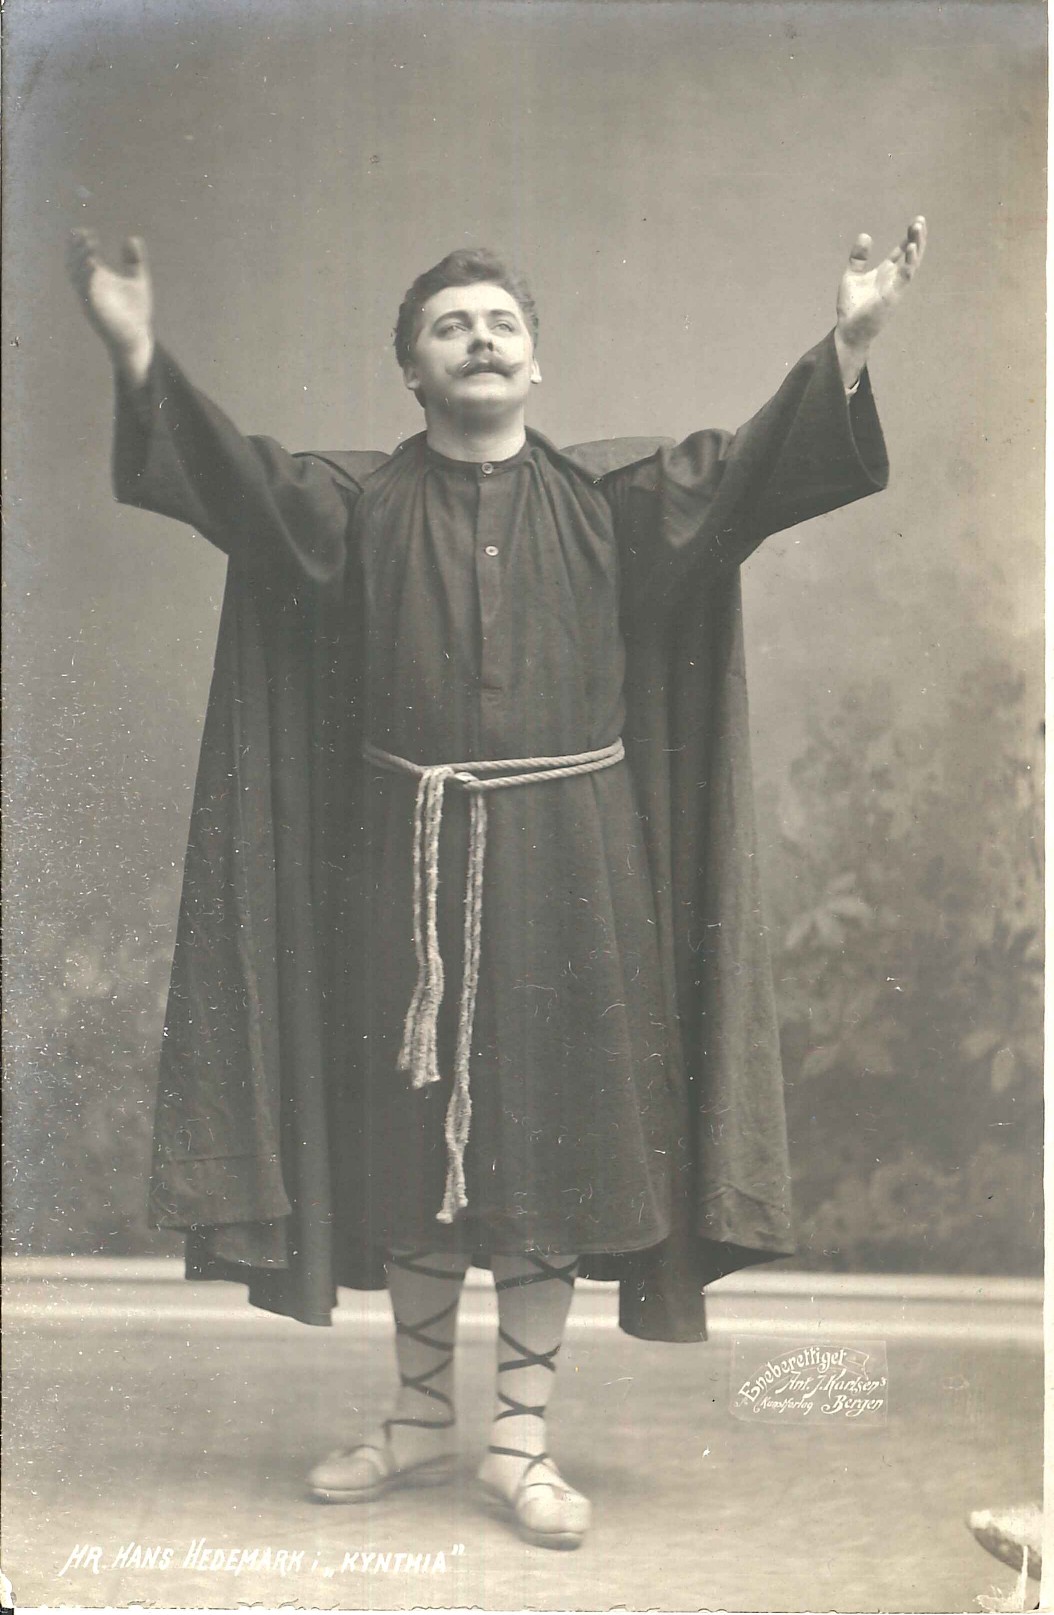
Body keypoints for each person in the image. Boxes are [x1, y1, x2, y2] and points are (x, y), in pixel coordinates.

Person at [67, 216, 926, 1550]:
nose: (480, 340)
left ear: (537, 362)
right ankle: (418, 1418)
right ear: (411, 371)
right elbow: (233, 482)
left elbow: (758, 469)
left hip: (576, 877)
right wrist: (138, 357)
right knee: (414, 1149)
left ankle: (520, 1440)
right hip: (399, 871)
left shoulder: (614, 502)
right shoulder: (351, 505)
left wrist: (849, 346)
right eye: (450, 326)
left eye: (501, 323)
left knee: (549, 1155)